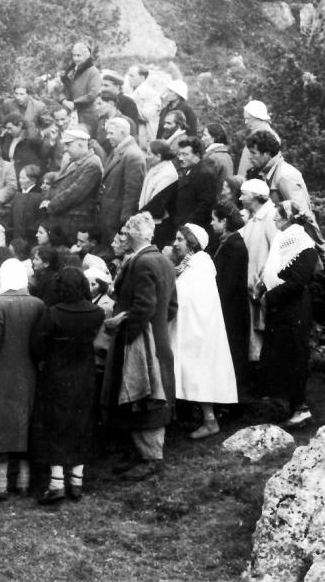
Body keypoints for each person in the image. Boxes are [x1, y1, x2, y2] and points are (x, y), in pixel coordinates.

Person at [103, 212, 177, 482]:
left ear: (134, 235)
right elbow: (171, 307)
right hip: (159, 339)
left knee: (145, 396)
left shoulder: (141, 262)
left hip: (140, 343)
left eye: (125, 231)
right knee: (146, 397)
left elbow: (144, 306)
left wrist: (125, 330)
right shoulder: (164, 260)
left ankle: (151, 458)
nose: (122, 235)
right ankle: (139, 454)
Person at [30, 266, 105, 504]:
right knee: (82, 423)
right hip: (85, 374)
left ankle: (56, 482)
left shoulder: (53, 313)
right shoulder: (97, 313)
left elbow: (37, 346)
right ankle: (77, 480)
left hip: (57, 375)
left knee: (56, 425)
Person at [0, 258, 45, 500]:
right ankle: (24, 480)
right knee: (26, 422)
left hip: (0, 372)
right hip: (29, 372)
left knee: (0, 424)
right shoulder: (38, 304)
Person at [169, 224, 238, 439]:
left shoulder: (201, 264)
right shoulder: (189, 264)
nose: (175, 243)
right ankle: (199, 417)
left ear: (192, 243)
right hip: (191, 327)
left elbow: (191, 296)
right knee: (191, 373)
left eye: (180, 239)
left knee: (199, 374)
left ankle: (210, 421)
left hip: (199, 330)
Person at [258, 201, 321, 428]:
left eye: (278, 216)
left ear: (288, 219)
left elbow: (297, 281)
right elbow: (275, 271)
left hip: (294, 309)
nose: (274, 219)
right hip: (282, 308)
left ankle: (300, 408)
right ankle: (286, 404)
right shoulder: (283, 240)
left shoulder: (303, 245)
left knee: (295, 357)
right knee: (282, 356)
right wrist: (263, 286)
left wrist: (269, 297)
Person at [210, 203, 251, 396]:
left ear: (224, 221)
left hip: (232, 310)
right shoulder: (226, 243)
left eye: (214, 219)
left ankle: (234, 399)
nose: (211, 223)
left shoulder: (234, 246)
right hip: (229, 307)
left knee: (233, 354)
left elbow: (229, 283)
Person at [239, 178, 277, 366]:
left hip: (261, 285)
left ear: (255, 196)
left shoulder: (270, 217)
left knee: (262, 328)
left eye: (243, 194)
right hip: (250, 284)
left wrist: (264, 279)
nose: (240, 198)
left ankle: (261, 368)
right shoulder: (252, 217)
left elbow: (277, 250)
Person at [40, 128, 103, 239]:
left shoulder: (92, 164)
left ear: (80, 144)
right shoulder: (74, 161)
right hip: (66, 217)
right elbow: (58, 183)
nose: (65, 149)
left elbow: (74, 193)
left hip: (76, 222)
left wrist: (50, 205)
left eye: (68, 145)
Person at [99, 117, 146, 245]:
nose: (107, 137)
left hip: (117, 219)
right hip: (110, 216)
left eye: (111, 133)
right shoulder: (119, 150)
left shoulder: (133, 155)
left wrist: (125, 222)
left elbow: (133, 193)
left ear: (123, 133)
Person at [170, 137, 218, 233]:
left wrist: (188, 225)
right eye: (179, 154)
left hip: (193, 230)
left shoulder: (204, 174)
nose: (180, 158)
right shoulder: (191, 170)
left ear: (197, 155)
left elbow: (205, 205)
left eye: (185, 154)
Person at [139, 140, 179, 245]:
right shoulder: (156, 167)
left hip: (158, 226)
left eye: (149, 154)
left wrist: (137, 217)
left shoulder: (168, 175)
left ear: (158, 156)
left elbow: (156, 206)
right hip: (148, 220)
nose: (146, 157)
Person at [125, 64, 163, 145]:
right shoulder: (130, 92)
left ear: (142, 78)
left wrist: (131, 103)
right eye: (128, 75)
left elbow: (146, 115)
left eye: (132, 76)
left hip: (144, 138)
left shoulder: (151, 94)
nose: (129, 78)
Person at [238, 100, 278, 176]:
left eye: (248, 118)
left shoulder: (270, 138)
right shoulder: (256, 135)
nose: (246, 122)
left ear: (258, 117)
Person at [11, 164, 44, 245]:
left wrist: (30, 232)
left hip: (32, 240)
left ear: (33, 180)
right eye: (19, 178)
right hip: (16, 239)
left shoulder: (39, 197)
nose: (20, 180)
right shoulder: (17, 195)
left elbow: (41, 218)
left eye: (23, 178)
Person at [200, 123, 234, 188]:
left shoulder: (212, 157)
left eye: (205, 135)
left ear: (214, 137)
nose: (202, 139)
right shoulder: (227, 155)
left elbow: (205, 183)